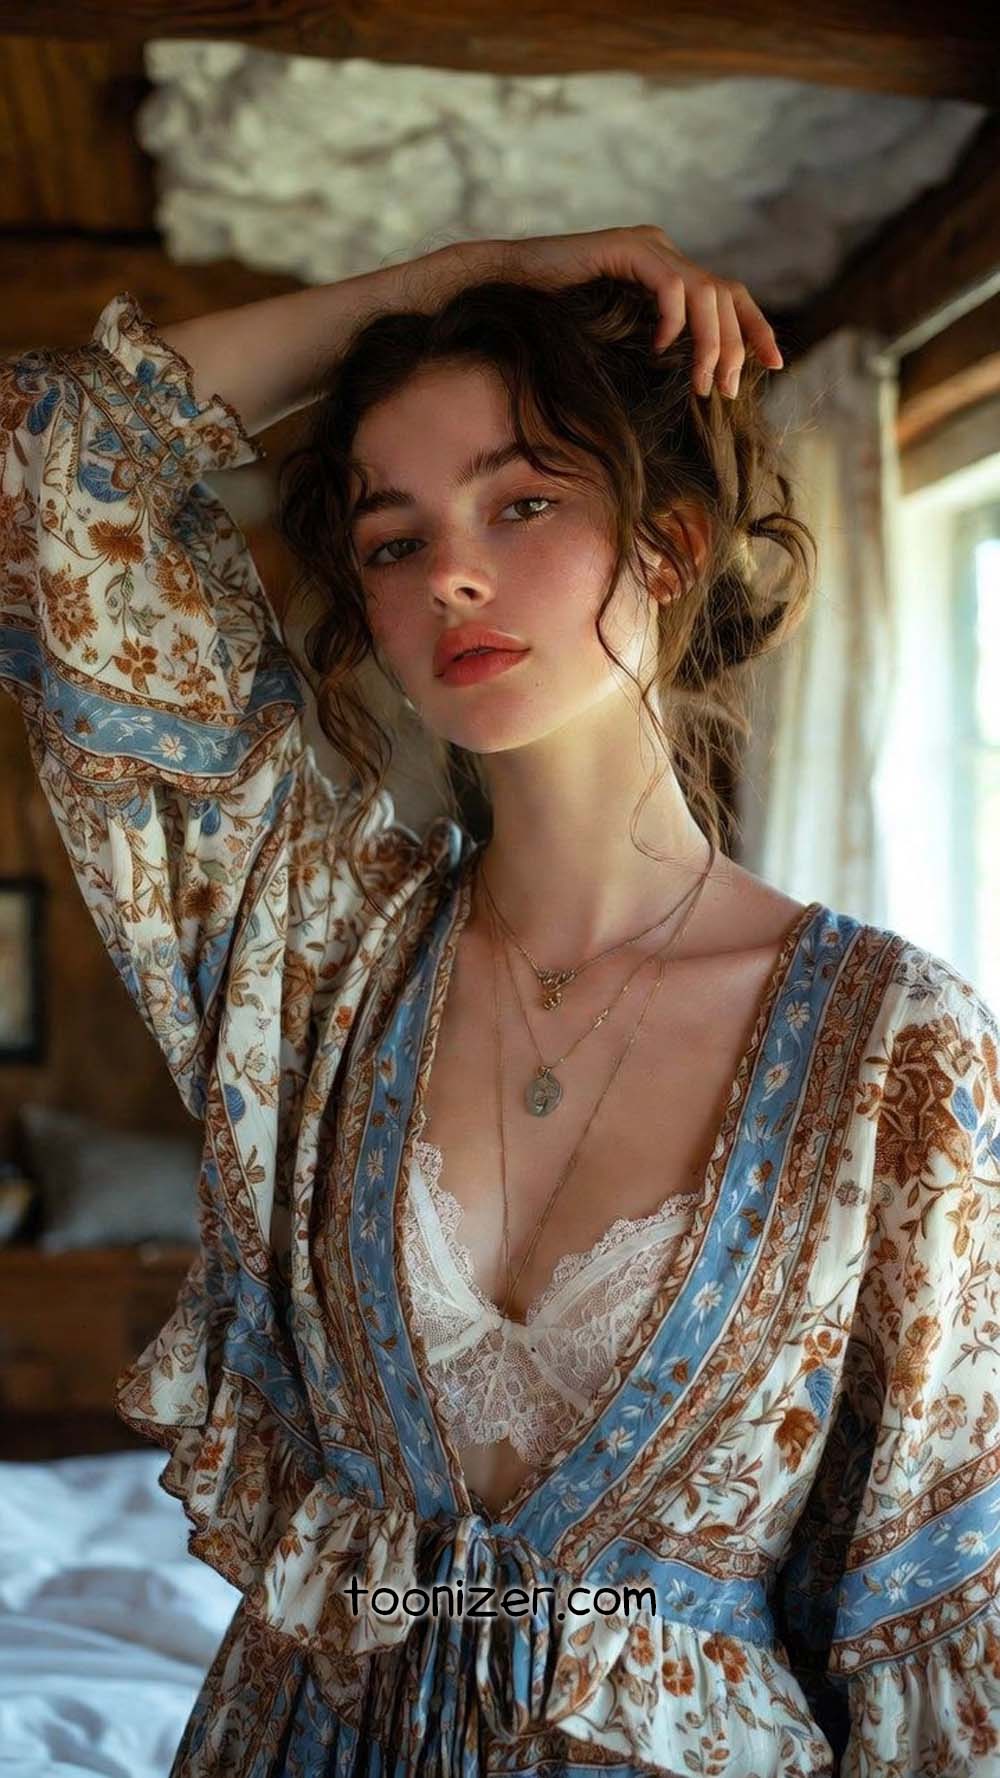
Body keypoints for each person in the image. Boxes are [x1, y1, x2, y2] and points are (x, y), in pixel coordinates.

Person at [2, 224, 997, 1778]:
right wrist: (457, 277)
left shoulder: (901, 1051)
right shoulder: (317, 948)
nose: (450, 566)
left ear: (665, 550)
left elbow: (943, 1624)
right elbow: (63, 464)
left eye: (522, 501)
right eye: (394, 539)